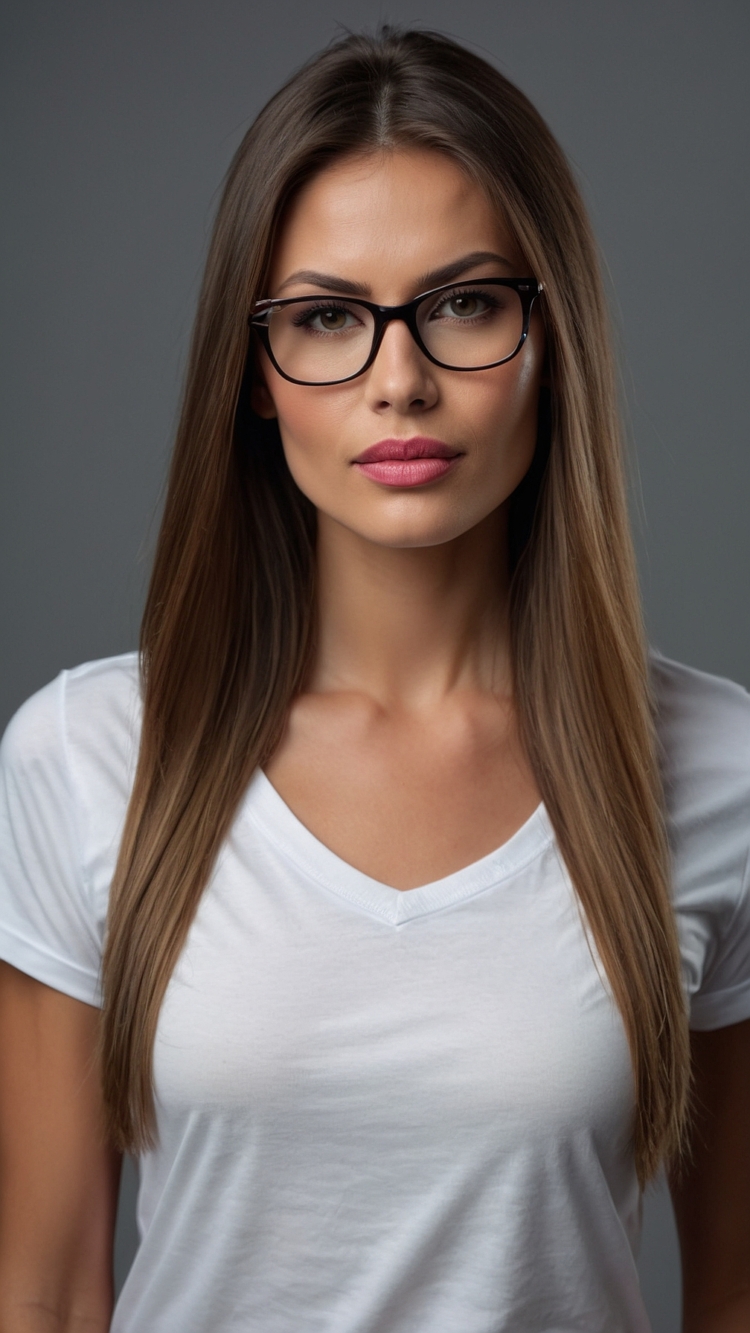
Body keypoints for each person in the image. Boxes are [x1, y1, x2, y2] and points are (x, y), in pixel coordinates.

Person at [0, 25, 748, 1333]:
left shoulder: (716, 768)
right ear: (253, 367)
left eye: (463, 303)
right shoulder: (80, 757)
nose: (397, 380)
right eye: (327, 317)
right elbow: (47, 1294)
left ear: (547, 340)